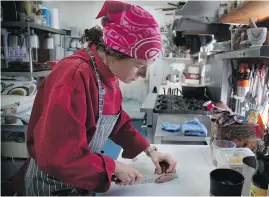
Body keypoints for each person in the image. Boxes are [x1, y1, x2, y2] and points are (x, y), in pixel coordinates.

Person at [22, 1, 177, 195]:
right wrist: (113, 167)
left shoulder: (107, 73)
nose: (143, 75)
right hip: (53, 186)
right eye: (139, 65)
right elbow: (59, 155)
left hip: (80, 180)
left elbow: (117, 122)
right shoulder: (74, 77)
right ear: (114, 52)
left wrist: (150, 150)